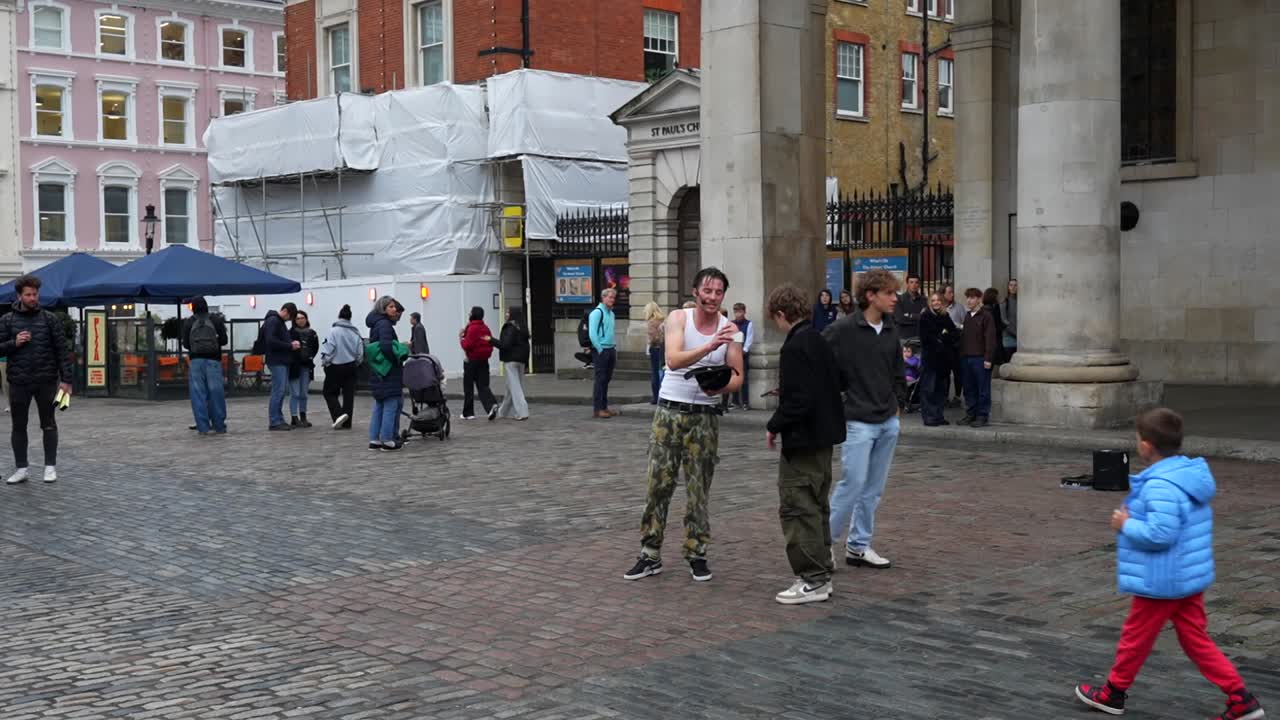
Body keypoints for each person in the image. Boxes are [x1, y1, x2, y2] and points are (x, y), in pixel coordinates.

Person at [1075, 409, 1266, 720]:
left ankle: (1113, 692)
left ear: (1147, 446)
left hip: (1162, 579)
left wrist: (1126, 524)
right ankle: (1241, 698)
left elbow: (1161, 533)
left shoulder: (1161, 485)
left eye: (1138, 439)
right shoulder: (1186, 476)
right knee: (1196, 641)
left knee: (1135, 638)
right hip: (1186, 577)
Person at [624, 267, 743, 584]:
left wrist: (719, 387)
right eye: (708, 291)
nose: (713, 297)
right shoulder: (678, 319)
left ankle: (697, 553)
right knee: (658, 486)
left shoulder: (731, 329)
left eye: (719, 292)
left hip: (704, 417)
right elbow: (674, 360)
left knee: (698, 490)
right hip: (669, 414)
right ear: (695, 292)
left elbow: (738, 375)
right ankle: (650, 554)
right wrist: (709, 346)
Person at [764, 285, 845, 605]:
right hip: (824, 438)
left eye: (776, 319)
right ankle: (823, 563)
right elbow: (840, 381)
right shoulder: (819, 339)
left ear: (782, 315)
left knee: (799, 506)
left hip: (804, 439)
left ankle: (813, 578)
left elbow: (799, 399)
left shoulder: (795, 345)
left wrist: (774, 424)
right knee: (817, 503)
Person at [823, 268, 905, 571]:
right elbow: (818, 360)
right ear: (870, 295)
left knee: (874, 488)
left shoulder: (892, 329)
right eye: (889, 293)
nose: (895, 299)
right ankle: (823, 545)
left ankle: (858, 545)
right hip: (858, 421)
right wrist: (841, 400)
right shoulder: (842, 330)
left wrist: (899, 405)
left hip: (887, 420)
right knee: (853, 483)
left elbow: (899, 370)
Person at [0, 275, 73, 484]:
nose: (33, 298)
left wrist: (66, 381)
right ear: (19, 296)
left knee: (49, 424)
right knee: (18, 426)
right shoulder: (7, 320)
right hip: (18, 381)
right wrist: (14, 342)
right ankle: (21, 469)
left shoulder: (50, 319)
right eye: (28, 294)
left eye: (35, 294)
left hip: (46, 381)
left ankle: (50, 467)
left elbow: (62, 351)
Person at [181, 296, 228, 435]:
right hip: (213, 360)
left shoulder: (189, 322)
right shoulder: (215, 320)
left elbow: (185, 344)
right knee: (216, 393)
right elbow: (224, 340)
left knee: (198, 395)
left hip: (196, 362)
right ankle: (219, 426)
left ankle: (203, 427)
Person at [366, 296, 406, 450]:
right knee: (391, 402)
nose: (394, 309)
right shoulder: (385, 324)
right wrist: (396, 357)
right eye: (391, 307)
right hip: (388, 370)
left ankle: (375, 438)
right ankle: (387, 439)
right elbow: (386, 346)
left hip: (378, 370)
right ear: (383, 308)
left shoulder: (376, 323)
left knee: (380, 403)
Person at [958, 287, 999, 428]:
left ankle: (982, 415)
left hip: (981, 358)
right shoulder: (967, 316)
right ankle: (971, 414)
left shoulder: (986, 316)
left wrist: (988, 358)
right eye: (968, 297)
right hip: (966, 358)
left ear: (979, 299)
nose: (969, 300)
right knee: (969, 389)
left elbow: (990, 339)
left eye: (973, 297)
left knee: (983, 389)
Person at [320, 304, 363, 430]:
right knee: (348, 395)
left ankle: (338, 414)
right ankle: (347, 422)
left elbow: (329, 348)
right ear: (350, 318)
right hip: (351, 366)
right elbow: (360, 352)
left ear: (339, 317)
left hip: (335, 366)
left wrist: (325, 361)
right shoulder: (355, 332)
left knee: (329, 392)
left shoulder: (333, 331)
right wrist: (356, 363)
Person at [918, 292, 958, 427]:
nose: (936, 302)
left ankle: (938, 416)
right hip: (930, 359)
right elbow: (926, 338)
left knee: (941, 390)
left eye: (938, 300)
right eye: (933, 300)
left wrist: (942, 338)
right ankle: (929, 416)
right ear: (930, 302)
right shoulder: (925, 316)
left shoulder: (945, 316)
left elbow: (954, 334)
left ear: (942, 302)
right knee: (929, 389)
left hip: (944, 360)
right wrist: (941, 338)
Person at [262, 302, 302, 431]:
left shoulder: (277, 321)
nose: (289, 320)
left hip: (280, 360)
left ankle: (278, 419)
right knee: (278, 391)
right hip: (277, 360)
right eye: (289, 317)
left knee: (281, 390)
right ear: (285, 311)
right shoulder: (274, 321)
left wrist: (289, 343)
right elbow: (271, 340)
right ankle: (274, 420)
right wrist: (289, 345)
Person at [491, 306, 530, 421]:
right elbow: (527, 347)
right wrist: (526, 363)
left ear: (512, 314)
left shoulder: (510, 327)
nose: (506, 314)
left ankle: (522, 412)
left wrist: (491, 340)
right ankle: (503, 412)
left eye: (508, 312)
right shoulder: (522, 328)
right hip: (521, 360)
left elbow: (505, 345)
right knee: (511, 387)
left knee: (515, 387)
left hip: (511, 360)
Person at [459, 306, 498, 421]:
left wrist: (461, 338)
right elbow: (489, 342)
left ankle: (468, 413)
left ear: (473, 315)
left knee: (468, 387)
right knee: (483, 385)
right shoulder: (485, 328)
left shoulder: (472, 328)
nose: (468, 315)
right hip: (484, 360)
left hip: (472, 360)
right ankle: (491, 405)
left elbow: (467, 345)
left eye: (470, 313)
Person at [588, 289, 618, 419]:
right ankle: (598, 409)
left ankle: (604, 407)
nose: (612, 300)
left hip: (611, 349)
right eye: (610, 297)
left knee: (606, 379)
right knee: (600, 380)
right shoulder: (596, 313)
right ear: (603, 298)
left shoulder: (611, 314)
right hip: (602, 350)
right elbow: (592, 333)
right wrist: (599, 349)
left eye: (613, 298)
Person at [289, 310, 319, 428]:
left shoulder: (312, 333)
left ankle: (303, 415)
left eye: (302, 318)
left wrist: (309, 356)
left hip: (306, 366)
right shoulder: (290, 333)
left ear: (306, 319)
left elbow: (315, 347)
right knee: (295, 393)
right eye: (298, 318)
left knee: (304, 393)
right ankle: (294, 416)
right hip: (294, 366)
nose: (300, 320)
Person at [943, 284, 965, 407]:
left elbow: (964, 324)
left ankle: (957, 396)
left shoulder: (959, 308)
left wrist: (957, 326)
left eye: (952, 292)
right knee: (945, 372)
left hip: (956, 344)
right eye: (949, 292)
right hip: (944, 345)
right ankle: (944, 396)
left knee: (957, 371)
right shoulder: (940, 307)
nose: (952, 294)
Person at [729, 303, 754, 410]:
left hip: (742, 354)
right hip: (733, 353)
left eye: (740, 311)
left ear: (744, 312)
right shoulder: (731, 323)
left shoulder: (748, 324)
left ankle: (745, 402)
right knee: (734, 377)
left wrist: (743, 351)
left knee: (743, 379)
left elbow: (749, 339)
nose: (738, 314)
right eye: (736, 312)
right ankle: (735, 401)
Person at [644, 302, 666, 405]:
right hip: (664, 348)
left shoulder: (651, 322)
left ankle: (656, 397)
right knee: (662, 371)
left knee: (655, 373)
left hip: (655, 348)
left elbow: (653, 338)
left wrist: (649, 345)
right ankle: (663, 396)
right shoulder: (664, 320)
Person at [894, 274, 927, 341]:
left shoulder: (924, 300)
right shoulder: (900, 299)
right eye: (911, 282)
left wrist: (910, 315)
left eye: (916, 282)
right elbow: (900, 319)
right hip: (904, 338)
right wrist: (919, 316)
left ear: (919, 284)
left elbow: (926, 318)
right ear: (907, 284)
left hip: (920, 337)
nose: (914, 285)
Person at [1001, 278, 1018, 362]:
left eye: (1015, 285)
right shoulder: (1005, 302)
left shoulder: (1021, 302)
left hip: (1021, 340)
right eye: (1011, 285)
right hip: (1008, 339)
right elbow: (1004, 321)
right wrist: (1016, 334)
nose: (1013, 287)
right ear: (1008, 287)